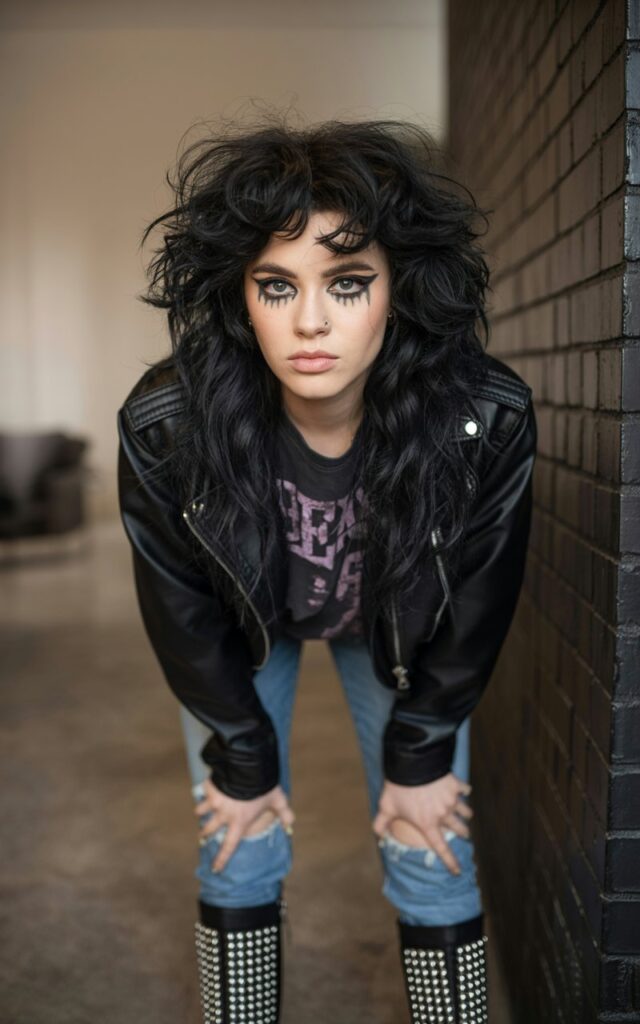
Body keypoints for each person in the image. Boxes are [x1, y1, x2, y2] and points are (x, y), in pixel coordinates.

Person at [116, 114, 537, 1024]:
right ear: (240, 297)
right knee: (240, 834)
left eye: (347, 283)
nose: (310, 320)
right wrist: (242, 752)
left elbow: (480, 595)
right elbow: (179, 603)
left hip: (400, 624)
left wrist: (422, 750)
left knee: (433, 843)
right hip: (242, 621)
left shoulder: (484, 418)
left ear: (400, 290)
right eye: (277, 285)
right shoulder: (166, 424)